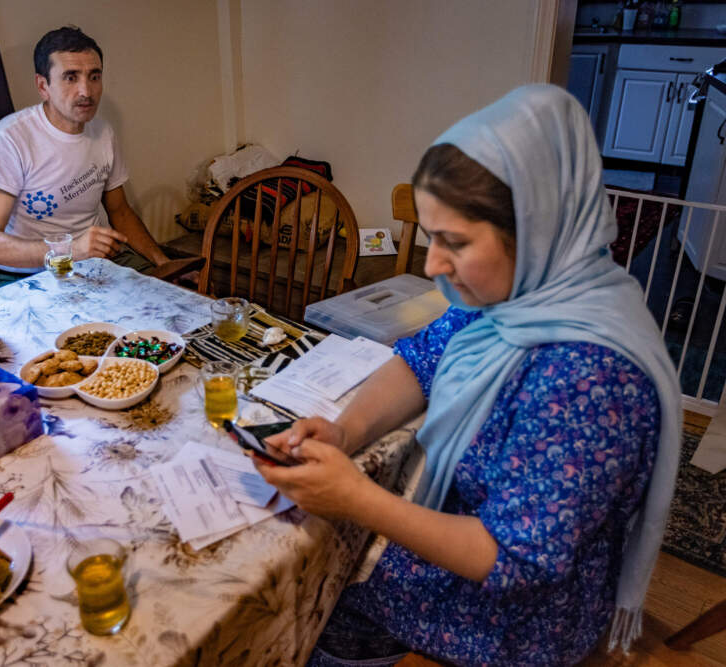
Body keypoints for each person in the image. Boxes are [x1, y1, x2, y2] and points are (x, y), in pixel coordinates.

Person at [255, 85, 682, 666]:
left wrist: (356, 497)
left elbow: (513, 560)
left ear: (536, 230)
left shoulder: (592, 375)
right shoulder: (510, 294)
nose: (431, 266)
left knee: (321, 581)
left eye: (454, 243)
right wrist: (345, 432)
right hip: (463, 534)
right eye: (431, 238)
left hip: (516, 619)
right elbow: (418, 360)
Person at [0, 26, 199, 285]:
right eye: (71, 77)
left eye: (94, 76)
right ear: (43, 86)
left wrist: (165, 264)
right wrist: (70, 249)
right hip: (30, 274)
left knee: (175, 300)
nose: (86, 91)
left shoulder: (103, 132)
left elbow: (120, 212)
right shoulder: (11, 138)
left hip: (95, 263)